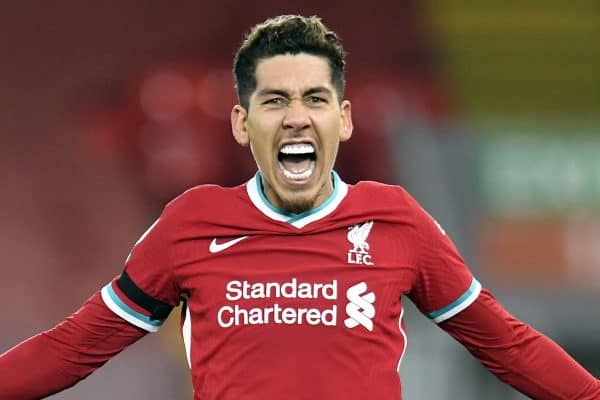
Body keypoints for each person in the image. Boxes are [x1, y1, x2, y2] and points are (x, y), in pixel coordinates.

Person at [1, 14, 598, 400]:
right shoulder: (190, 226)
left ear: (343, 118)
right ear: (241, 121)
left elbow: (506, 343)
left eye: (314, 100)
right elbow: (75, 346)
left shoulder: (397, 223)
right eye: (272, 102)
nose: (295, 120)